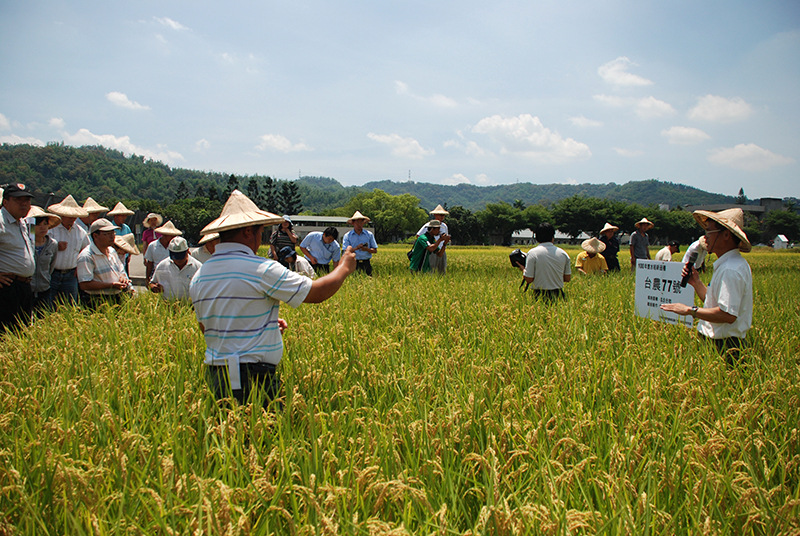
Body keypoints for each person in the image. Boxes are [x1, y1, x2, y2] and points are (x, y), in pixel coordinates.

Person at [189, 190, 356, 407]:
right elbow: (316, 292)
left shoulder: (200, 275)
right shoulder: (260, 268)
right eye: (261, 232)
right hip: (251, 375)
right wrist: (344, 267)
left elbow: (207, 327)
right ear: (249, 231)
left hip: (216, 375)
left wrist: (259, 324)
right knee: (260, 436)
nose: (262, 239)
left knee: (229, 435)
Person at [660, 208, 753, 364]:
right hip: (717, 341)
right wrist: (696, 282)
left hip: (724, 345)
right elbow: (713, 303)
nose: (705, 237)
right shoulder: (727, 265)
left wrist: (689, 310)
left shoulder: (730, 269)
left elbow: (727, 315)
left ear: (725, 235)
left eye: (709, 231)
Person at [0, 183, 36, 333]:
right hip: (7, 287)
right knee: (7, 331)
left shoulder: (23, 223)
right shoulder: (1, 222)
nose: (24, 203)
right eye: (18, 199)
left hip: (24, 286)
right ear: (5, 202)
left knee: (22, 331)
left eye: (27, 200)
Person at [77, 218, 131, 307]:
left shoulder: (112, 251)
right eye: (107, 234)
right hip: (96, 300)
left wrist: (123, 278)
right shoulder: (87, 256)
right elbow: (84, 284)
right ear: (95, 236)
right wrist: (111, 285)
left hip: (116, 297)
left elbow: (121, 270)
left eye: (113, 233)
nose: (112, 236)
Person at [47, 195, 90, 305]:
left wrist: (80, 267)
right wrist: (55, 246)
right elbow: (40, 246)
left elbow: (86, 250)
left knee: (70, 306)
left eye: (74, 216)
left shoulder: (80, 232)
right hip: (52, 273)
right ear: (61, 214)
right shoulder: (51, 230)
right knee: (49, 304)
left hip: (71, 275)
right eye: (68, 215)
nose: (72, 218)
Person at [515, 222, 571, 300]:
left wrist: (523, 269)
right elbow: (567, 279)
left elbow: (529, 279)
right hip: (558, 294)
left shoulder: (533, 253)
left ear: (536, 237)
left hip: (539, 295)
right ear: (553, 237)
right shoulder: (563, 253)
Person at [28, 206, 61, 314]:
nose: (42, 228)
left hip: (45, 288)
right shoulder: (26, 243)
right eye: (38, 224)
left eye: (45, 224)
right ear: (31, 226)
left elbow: (51, 266)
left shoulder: (52, 244)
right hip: (27, 289)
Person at [341, 211, 378, 276]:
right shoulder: (348, 235)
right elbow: (345, 251)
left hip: (366, 262)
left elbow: (375, 250)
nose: (359, 224)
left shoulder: (369, 235)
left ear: (364, 223)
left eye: (361, 222)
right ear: (353, 223)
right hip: (353, 263)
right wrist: (356, 248)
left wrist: (367, 249)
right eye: (357, 222)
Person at [416, 204, 450, 274]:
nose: (442, 217)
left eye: (443, 215)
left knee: (442, 270)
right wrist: (428, 245)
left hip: (441, 250)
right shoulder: (428, 225)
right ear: (435, 215)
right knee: (431, 270)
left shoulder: (444, 226)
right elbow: (418, 235)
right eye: (440, 215)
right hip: (432, 251)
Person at [107, 202, 135, 274]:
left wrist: (129, 254)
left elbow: (131, 241)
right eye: (122, 216)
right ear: (115, 216)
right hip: (112, 258)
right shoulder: (110, 227)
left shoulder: (126, 228)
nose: (124, 218)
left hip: (124, 257)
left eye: (125, 216)